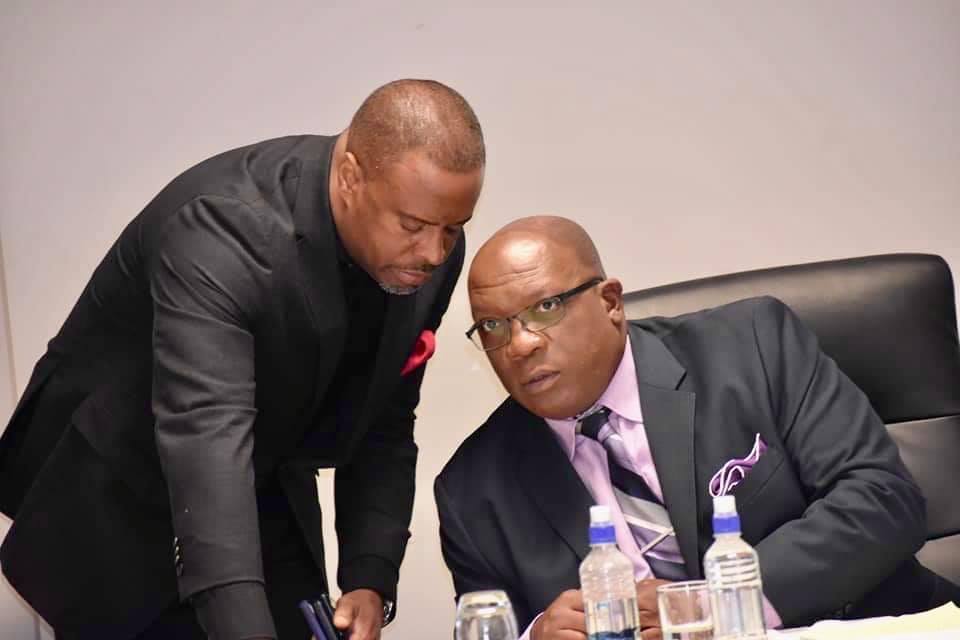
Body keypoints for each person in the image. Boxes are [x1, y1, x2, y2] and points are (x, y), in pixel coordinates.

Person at [0, 78, 484, 640]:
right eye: (413, 226)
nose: (434, 253)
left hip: (264, 484)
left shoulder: (430, 251)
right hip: (120, 503)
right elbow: (206, 436)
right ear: (351, 177)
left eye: (453, 229)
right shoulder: (221, 231)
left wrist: (368, 577)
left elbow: (386, 415)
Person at [435, 216, 960, 639]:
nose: (520, 344)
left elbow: (883, 500)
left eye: (546, 308)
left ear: (611, 303)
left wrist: (712, 602)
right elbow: (489, 624)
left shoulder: (753, 347)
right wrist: (535, 636)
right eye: (493, 326)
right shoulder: (472, 489)